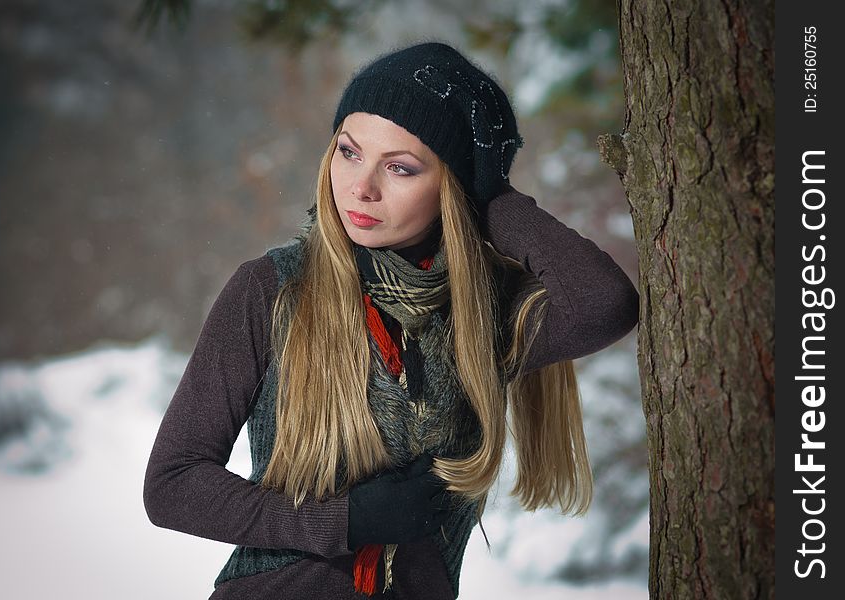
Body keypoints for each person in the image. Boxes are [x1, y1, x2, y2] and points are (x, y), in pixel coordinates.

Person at [143, 41, 640, 599]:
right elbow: (172, 484)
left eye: (400, 168)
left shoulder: (479, 319)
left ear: (452, 188)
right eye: (349, 152)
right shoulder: (272, 290)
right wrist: (342, 520)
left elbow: (605, 303)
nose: (361, 187)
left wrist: (490, 194)